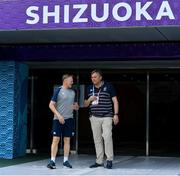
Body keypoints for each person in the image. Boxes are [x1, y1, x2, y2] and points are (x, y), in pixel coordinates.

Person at [84, 69, 119, 169]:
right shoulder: (89, 88)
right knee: (97, 139)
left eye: (95, 77)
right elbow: (85, 104)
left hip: (107, 116)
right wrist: (89, 100)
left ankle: (109, 160)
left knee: (107, 136)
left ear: (100, 77)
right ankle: (99, 161)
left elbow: (115, 101)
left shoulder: (108, 86)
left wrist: (116, 114)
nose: (93, 79)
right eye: (92, 77)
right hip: (94, 117)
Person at [47, 74, 79, 169]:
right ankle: (52, 161)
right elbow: (51, 105)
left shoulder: (74, 92)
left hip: (69, 119)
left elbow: (76, 105)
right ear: (65, 80)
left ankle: (65, 161)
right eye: (71, 81)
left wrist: (75, 107)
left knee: (67, 140)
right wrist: (59, 115)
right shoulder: (58, 90)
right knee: (56, 139)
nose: (72, 82)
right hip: (58, 119)